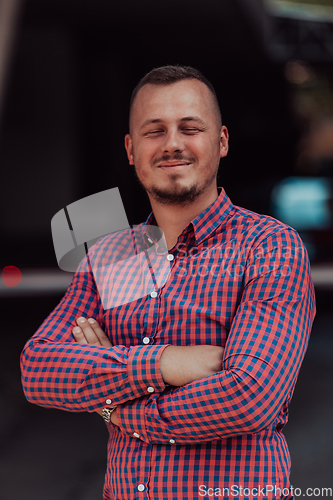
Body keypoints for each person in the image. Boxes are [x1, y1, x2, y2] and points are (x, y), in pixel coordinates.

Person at [21, 65, 316, 500]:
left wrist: (115, 407)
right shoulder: (107, 255)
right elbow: (39, 369)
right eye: (153, 131)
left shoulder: (269, 247)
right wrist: (165, 364)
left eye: (190, 128)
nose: (172, 144)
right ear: (131, 149)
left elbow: (250, 397)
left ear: (221, 141)